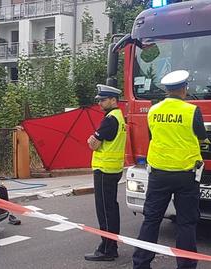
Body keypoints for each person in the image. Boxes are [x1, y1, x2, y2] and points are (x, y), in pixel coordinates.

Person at [132, 70, 207, 269]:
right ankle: (186, 265)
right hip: (186, 175)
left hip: (159, 174)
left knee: (151, 220)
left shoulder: (153, 110)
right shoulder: (192, 111)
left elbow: (153, 136)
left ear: (166, 90)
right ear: (184, 89)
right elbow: (202, 137)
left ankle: (140, 264)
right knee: (186, 223)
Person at [85, 84, 126, 262]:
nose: (100, 103)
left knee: (105, 210)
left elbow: (93, 143)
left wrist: (92, 140)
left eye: (103, 100)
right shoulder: (119, 117)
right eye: (99, 100)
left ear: (113, 100)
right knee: (111, 208)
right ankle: (110, 244)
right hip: (113, 169)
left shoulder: (110, 119)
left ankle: (108, 249)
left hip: (104, 169)